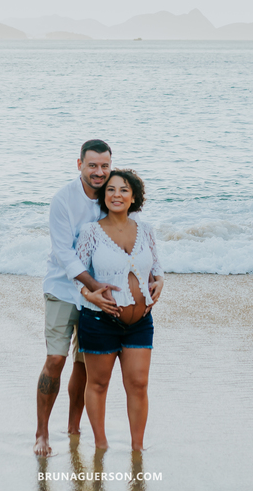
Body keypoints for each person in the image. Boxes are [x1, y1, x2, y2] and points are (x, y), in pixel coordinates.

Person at [35, 140, 123, 457]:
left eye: (104, 166)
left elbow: (127, 237)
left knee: (85, 365)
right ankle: (42, 432)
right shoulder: (63, 200)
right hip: (63, 289)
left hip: (98, 295)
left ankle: (74, 428)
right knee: (56, 359)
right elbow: (64, 254)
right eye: (93, 166)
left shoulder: (113, 195)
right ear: (79, 165)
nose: (99, 172)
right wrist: (92, 286)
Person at [75, 168, 163, 452]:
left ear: (134, 196)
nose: (117, 195)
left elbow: (157, 269)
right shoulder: (91, 232)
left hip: (140, 322)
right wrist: (91, 294)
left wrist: (161, 282)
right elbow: (75, 275)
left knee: (138, 384)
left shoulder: (146, 230)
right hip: (99, 320)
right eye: (111, 189)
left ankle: (137, 448)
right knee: (98, 384)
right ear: (103, 195)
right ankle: (101, 445)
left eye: (124, 189)